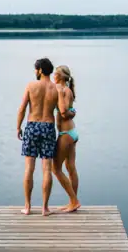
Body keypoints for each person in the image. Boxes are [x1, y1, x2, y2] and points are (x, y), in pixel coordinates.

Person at [16, 58, 62, 216]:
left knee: (29, 168)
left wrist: (18, 127)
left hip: (32, 126)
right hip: (48, 127)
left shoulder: (31, 86)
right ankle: (44, 208)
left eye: (36, 69)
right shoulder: (57, 89)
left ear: (41, 70)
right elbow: (62, 112)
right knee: (47, 169)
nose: (35, 72)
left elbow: (22, 108)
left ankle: (27, 207)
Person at [52, 65, 81, 213]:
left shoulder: (61, 89)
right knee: (70, 167)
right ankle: (72, 202)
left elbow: (63, 112)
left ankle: (74, 201)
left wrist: (57, 91)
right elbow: (68, 111)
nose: (53, 76)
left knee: (55, 169)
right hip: (72, 132)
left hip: (65, 134)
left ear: (61, 76)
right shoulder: (68, 90)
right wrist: (72, 112)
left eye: (55, 74)